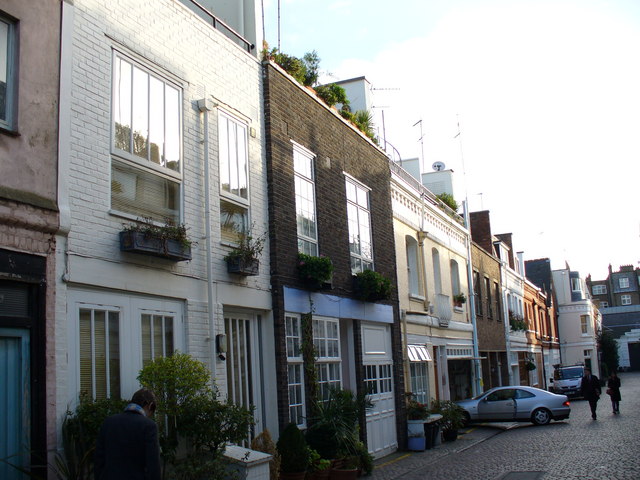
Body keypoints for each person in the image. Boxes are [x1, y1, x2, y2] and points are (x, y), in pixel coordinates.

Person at [95, 388, 162, 480]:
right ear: (150, 405)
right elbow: (153, 465)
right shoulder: (149, 426)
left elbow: (99, 460)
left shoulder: (108, 422)